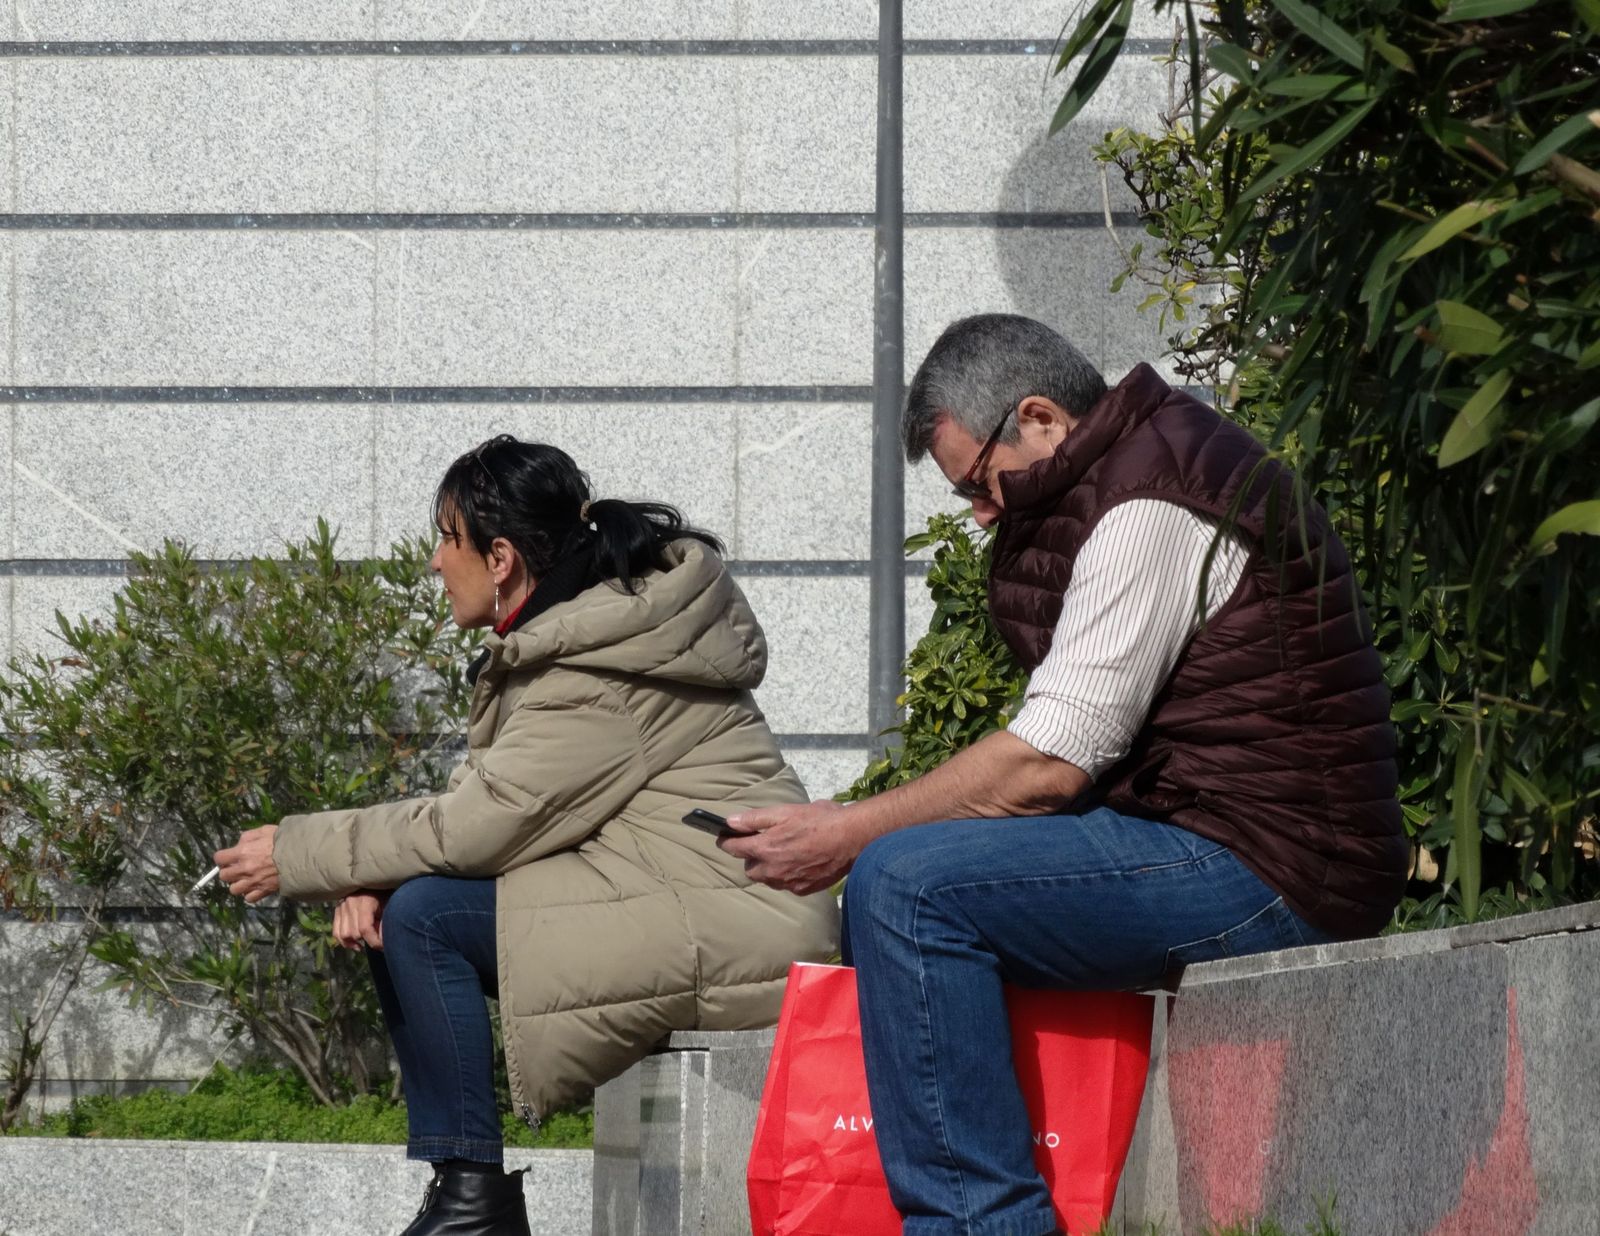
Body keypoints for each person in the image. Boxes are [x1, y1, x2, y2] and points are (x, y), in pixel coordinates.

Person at [723, 314, 1407, 1236]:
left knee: (907, 891)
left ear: (1038, 417)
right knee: (914, 869)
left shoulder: (1152, 504)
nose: (978, 512)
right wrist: (873, 819)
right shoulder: (1132, 472)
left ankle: (981, 1226)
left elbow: (1049, 762)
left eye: (977, 483)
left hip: (1273, 864)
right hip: (1215, 833)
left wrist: (853, 833)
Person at [214, 435, 839, 1236]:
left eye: (448, 539)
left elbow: (476, 830)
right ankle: (464, 1191)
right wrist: (372, 874)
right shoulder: (578, 639)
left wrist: (301, 853)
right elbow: (501, 818)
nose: (436, 563)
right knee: (413, 903)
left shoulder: (594, 666)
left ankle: (474, 1202)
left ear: (501, 557)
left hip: (736, 910)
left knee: (427, 915)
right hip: (687, 890)